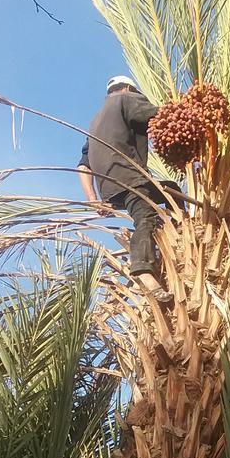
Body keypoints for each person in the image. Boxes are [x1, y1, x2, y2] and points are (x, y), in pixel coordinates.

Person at [77, 75, 179, 305]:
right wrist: (182, 108)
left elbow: (83, 166)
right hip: (130, 177)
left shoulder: (94, 123)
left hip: (109, 188)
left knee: (173, 192)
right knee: (145, 217)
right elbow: (160, 116)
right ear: (126, 88)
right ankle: (143, 271)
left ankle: (176, 230)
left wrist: (93, 199)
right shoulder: (125, 99)